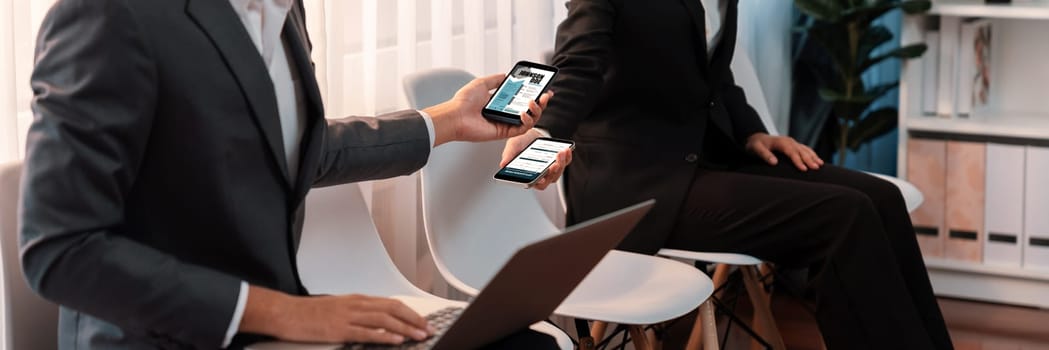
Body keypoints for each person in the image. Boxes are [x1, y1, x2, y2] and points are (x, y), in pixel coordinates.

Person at [19, 0, 569, 349]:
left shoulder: (284, 12)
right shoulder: (109, 14)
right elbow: (60, 249)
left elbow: (297, 151)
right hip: (167, 337)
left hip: (277, 325)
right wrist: (290, 314)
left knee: (523, 345)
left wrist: (446, 121)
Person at [501, 0, 954, 349]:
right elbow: (577, 65)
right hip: (636, 182)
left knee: (880, 198)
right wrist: (542, 132)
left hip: (706, 157)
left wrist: (754, 133)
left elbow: (714, 76)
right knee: (845, 216)